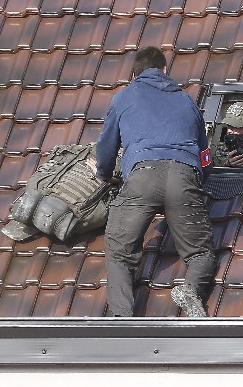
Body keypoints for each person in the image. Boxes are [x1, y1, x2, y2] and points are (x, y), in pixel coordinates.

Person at [95, 46, 216, 317]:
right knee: (201, 253)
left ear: (133, 74)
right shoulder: (187, 102)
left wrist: (104, 175)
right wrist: (202, 181)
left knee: (120, 252)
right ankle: (193, 291)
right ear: (164, 70)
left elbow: (105, 148)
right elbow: (205, 154)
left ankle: (121, 316)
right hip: (185, 175)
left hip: (142, 177)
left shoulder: (123, 98)